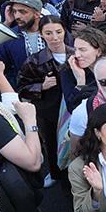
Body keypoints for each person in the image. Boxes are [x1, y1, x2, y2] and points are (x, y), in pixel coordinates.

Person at [18, 15, 74, 184]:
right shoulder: (34, 61)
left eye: (58, 32)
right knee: (51, 143)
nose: (55, 37)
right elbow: (21, 90)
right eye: (48, 33)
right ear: (41, 34)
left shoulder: (76, 54)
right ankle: (57, 174)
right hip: (49, 112)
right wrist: (40, 87)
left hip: (73, 108)